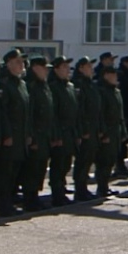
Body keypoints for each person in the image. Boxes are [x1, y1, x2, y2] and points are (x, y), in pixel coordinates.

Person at [0, 49, 30, 216]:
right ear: (8, 64)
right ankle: (3, 204)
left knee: (15, 172)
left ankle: (10, 201)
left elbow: (26, 111)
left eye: (22, 62)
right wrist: (7, 134)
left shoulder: (21, 84)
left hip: (20, 135)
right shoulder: (4, 84)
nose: (21, 65)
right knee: (5, 173)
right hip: (10, 137)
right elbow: (2, 112)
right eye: (17, 62)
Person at [23, 56, 53, 212]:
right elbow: (30, 114)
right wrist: (32, 136)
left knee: (40, 167)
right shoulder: (32, 86)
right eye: (43, 67)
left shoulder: (43, 86)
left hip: (45, 135)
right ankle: (29, 199)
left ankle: (35, 196)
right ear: (34, 67)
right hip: (36, 135)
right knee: (32, 169)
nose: (46, 70)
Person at [48, 56, 78, 207]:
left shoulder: (70, 87)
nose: (67, 70)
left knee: (66, 163)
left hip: (70, 132)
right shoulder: (53, 87)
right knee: (58, 164)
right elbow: (53, 114)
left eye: (68, 67)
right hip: (60, 132)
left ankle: (62, 189)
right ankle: (56, 193)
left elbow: (75, 111)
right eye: (64, 67)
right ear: (57, 69)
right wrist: (56, 135)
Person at [71, 56, 100, 200]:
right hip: (86, 129)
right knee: (82, 160)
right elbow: (80, 110)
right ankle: (79, 189)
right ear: (81, 68)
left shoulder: (90, 84)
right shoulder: (78, 85)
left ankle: (84, 188)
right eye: (88, 66)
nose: (91, 69)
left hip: (93, 128)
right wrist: (84, 130)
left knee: (89, 159)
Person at [96, 66, 127, 196]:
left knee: (111, 159)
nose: (116, 77)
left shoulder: (116, 92)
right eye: (113, 75)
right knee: (104, 160)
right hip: (108, 131)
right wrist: (104, 133)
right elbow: (100, 114)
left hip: (116, 131)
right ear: (106, 76)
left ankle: (105, 185)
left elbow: (121, 114)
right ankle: (101, 187)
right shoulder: (102, 91)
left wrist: (123, 132)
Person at [116, 55, 128, 178]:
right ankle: (119, 165)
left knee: (125, 141)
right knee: (121, 142)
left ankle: (122, 165)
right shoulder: (122, 76)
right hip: (125, 113)